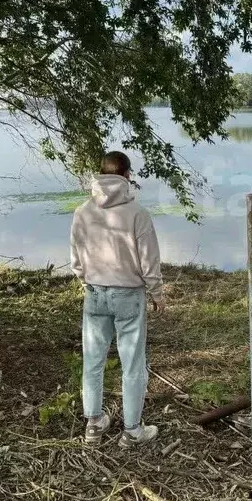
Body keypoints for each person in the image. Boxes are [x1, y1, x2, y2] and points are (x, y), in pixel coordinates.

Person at [70, 151, 165, 447]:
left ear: (100, 175)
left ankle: (94, 424)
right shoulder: (137, 214)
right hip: (129, 295)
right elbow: (149, 261)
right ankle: (133, 430)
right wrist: (157, 292)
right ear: (126, 176)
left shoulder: (83, 212)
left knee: (93, 361)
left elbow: (75, 261)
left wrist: (88, 279)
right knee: (133, 363)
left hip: (95, 293)